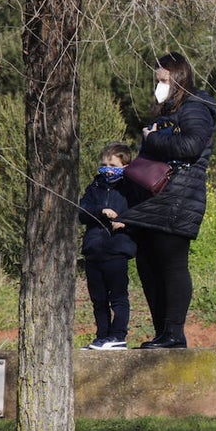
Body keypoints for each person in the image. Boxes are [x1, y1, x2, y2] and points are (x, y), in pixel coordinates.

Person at [116, 52, 216, 349]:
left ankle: (174, 333)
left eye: (164, 80)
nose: (159, 85)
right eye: (157, 80)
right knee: (148, 264)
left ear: (179, 77)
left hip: (179, 197)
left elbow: (191, 145)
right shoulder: (168, 110)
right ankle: (162, 332)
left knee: (172, 263)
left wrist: (151, 138)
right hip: (156, 198)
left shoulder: (195, 106)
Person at [77, 141, 140, 350]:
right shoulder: (95, 185)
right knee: (98, 299)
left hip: (117, 250)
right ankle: (102, 336)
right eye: (104, 164)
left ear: (124, 165)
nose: (108, 169)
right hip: (94, 249)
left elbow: (140, 214)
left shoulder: (132, 188)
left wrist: (125, 222)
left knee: (118, 297)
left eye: (113, 165)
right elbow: (81, 211)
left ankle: (118, 336)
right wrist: (100, 211)